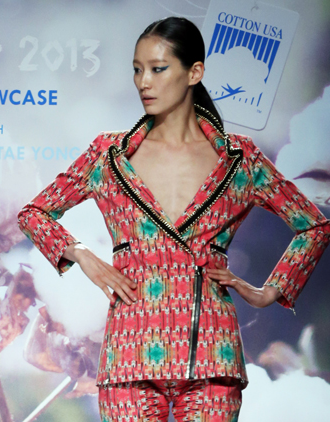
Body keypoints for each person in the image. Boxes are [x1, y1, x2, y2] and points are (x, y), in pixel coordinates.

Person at [17, 17, 330, 421]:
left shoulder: (240, 158)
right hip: (130, 357)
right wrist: (82, 255)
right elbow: (34, 214)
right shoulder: (107, 154)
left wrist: (271, 290)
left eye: (158, 69)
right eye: (138, 69)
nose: (144, 82)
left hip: (211, 358)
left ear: (194, 73)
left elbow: (313, 225)